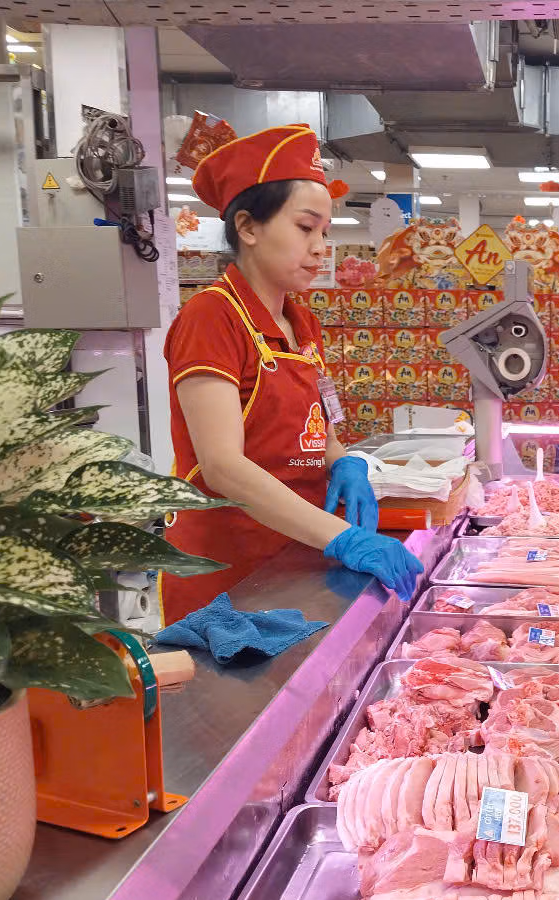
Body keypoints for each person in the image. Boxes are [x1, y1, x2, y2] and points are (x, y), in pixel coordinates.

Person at [159, 125, 422, 624]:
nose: (321, 247)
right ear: (247, 227)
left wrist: (345, 462)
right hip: (227, 575)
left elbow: (318, 432)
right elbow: (221, 466)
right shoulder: (212, 317)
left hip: (298, 556)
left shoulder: (302, 324)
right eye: (305, 228)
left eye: (325, 232)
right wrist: (342, 537)